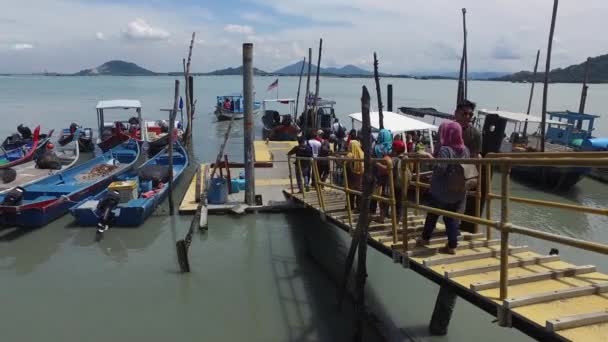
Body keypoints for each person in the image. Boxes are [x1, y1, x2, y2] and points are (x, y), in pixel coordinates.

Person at [419, 121, 470, 254]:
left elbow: (440, 168)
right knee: (450, 218)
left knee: (432, 214)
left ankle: (425, 239)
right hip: (458, 191)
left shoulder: (445, 149)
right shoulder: (465, 150)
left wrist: (429, 158)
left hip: (441, 191)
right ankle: (452, 246)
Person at [454, 100, 484, 233]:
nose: (467, 117)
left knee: (460, 200)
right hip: (446, 168)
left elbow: (475, 155)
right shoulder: (448, 128)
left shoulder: (475, 134)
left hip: (464, 170)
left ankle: (455, 229)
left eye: (470, 115)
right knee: (437, 203)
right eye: (464, 113)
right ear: (456, 113)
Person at [346, 140, 364, 211]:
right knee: (359, 192)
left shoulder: (350, 154)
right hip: (361, 175)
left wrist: (336, 158)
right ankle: (359, 207)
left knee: (350, 192)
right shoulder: (362, 153)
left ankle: (350, 206)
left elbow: (342, 163)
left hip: (351, 176)